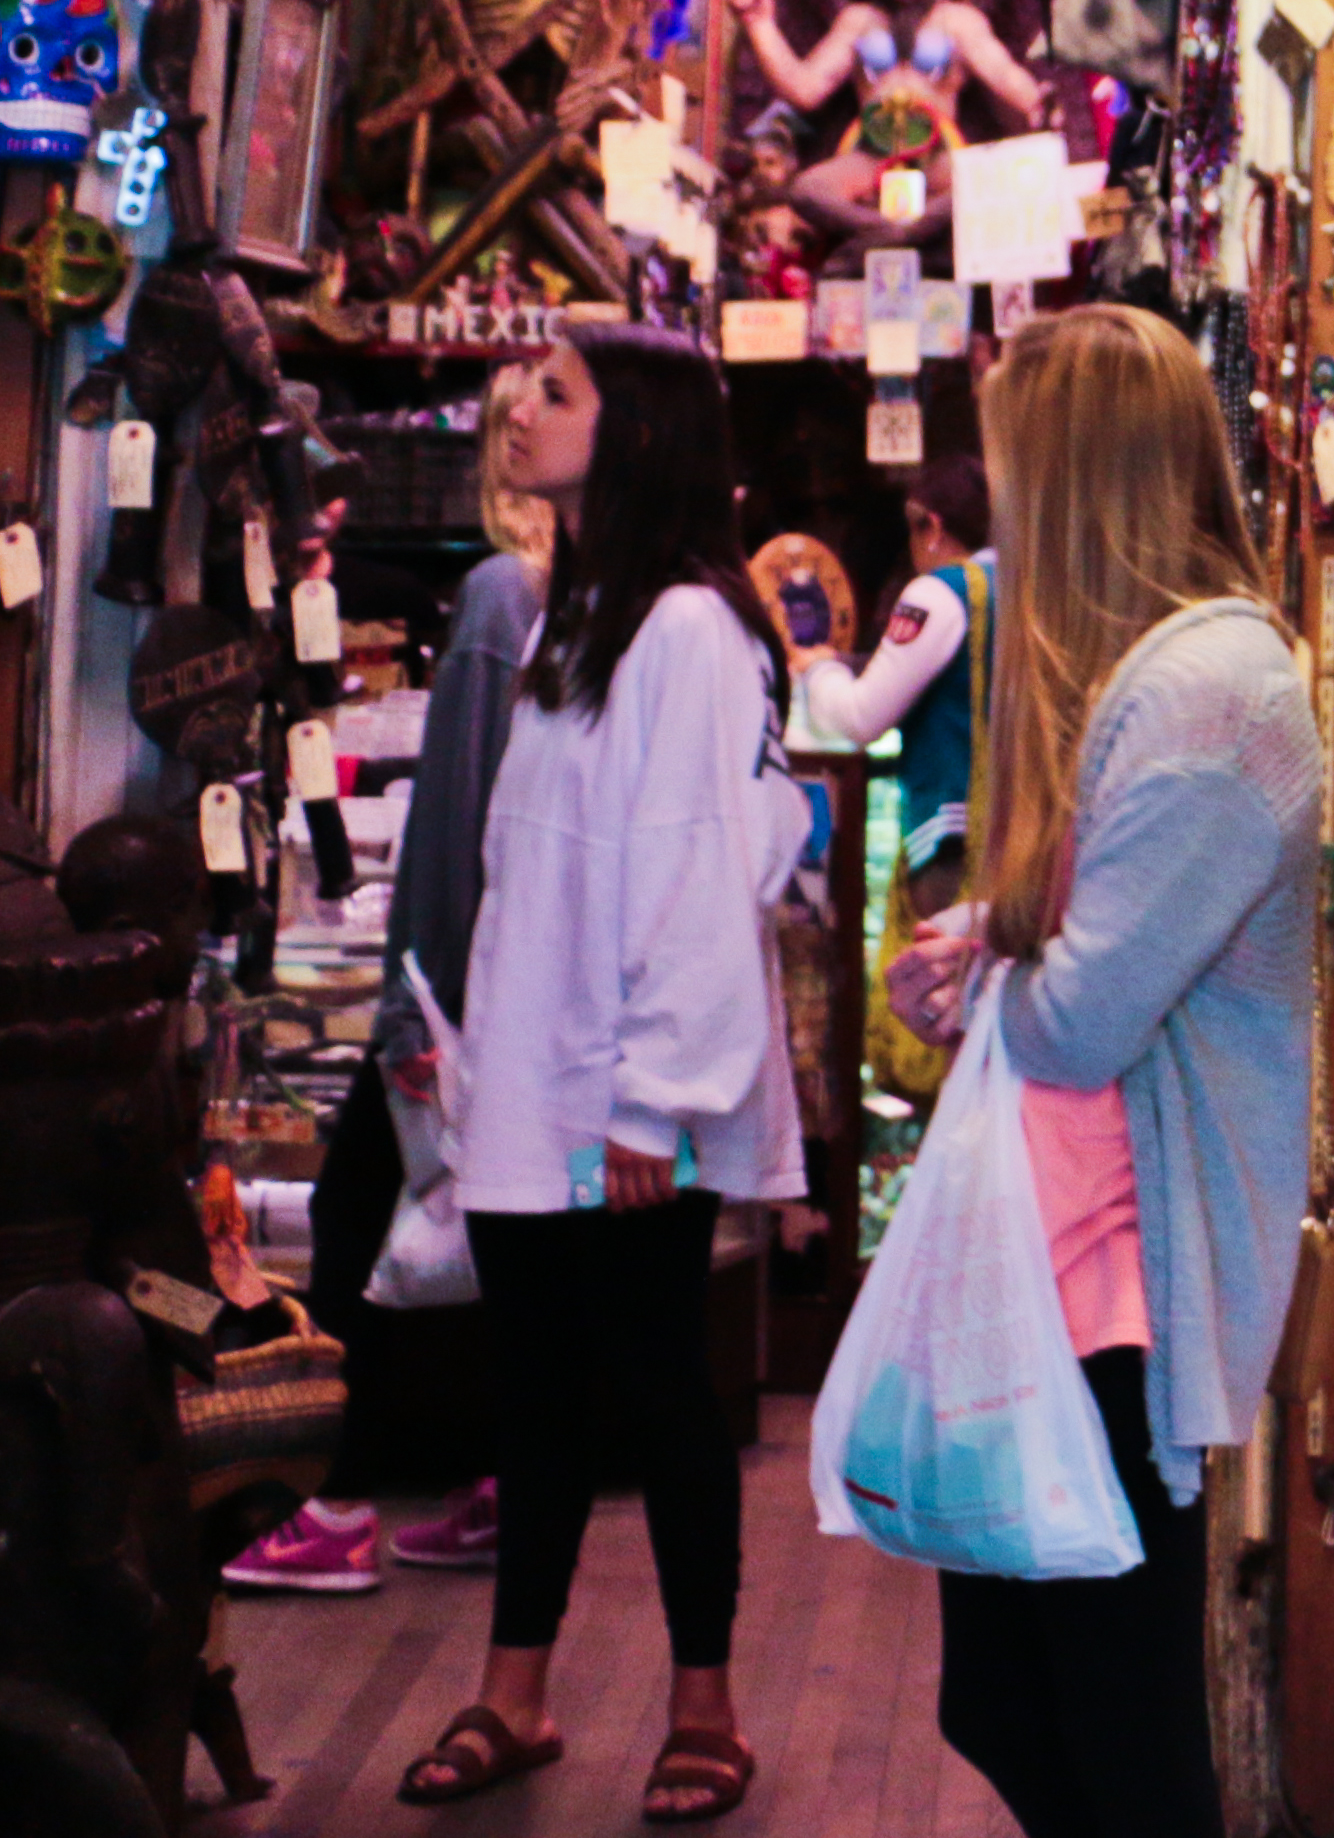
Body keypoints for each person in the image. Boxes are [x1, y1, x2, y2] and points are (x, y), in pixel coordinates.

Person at [885, 307, 1320, 1838]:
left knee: (1116, 1738)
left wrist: (997, 961)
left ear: (1073, 479)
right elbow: (1088, 937)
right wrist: (989, 932)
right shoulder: (1149, 674)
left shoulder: (1211, 694)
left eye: (1014, 469)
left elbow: (1082, 1017)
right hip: (1061, 1273)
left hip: (1118, 1296)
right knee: (1020, 1703)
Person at [401, 326, 800, 1823]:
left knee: (661, 1391)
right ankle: (517, 1686)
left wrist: (655, 1093)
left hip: (624, 1094)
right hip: (532, 1071)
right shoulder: (576, 608)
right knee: (537, 1395)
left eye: (556, 392)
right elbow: (539, 863)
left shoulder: (691, 623)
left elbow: (703, 866)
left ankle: (708, 1703)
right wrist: (475, 1041)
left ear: (630, 430)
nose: (521, 408)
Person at [230, 361, 553, 1598]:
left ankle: (322, 1500)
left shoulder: (497, 594)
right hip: (529, 985)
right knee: (503, 1243)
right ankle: (499, 1483)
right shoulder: (607, 599)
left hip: (453, 986)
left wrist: (419, 997)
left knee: (352, 1220)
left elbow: (460, 806)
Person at [795, 458, 998, 909]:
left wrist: (818, 669)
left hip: (954, 843)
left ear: (933, 528)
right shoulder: (1025, 586)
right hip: (1024, 841)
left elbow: (860, 718)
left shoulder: (941, 592)